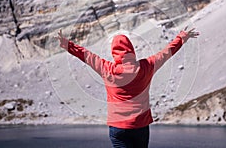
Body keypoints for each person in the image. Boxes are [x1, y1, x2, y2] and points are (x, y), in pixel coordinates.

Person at [57, 27, 199, 148]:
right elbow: (166, 53)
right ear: (131, 49)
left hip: (118, 127)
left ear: (114, 52)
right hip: (141, 126)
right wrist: (182, 37)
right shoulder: (146, 66)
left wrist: (67, 44)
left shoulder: (107, 69)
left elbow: (86, 55)